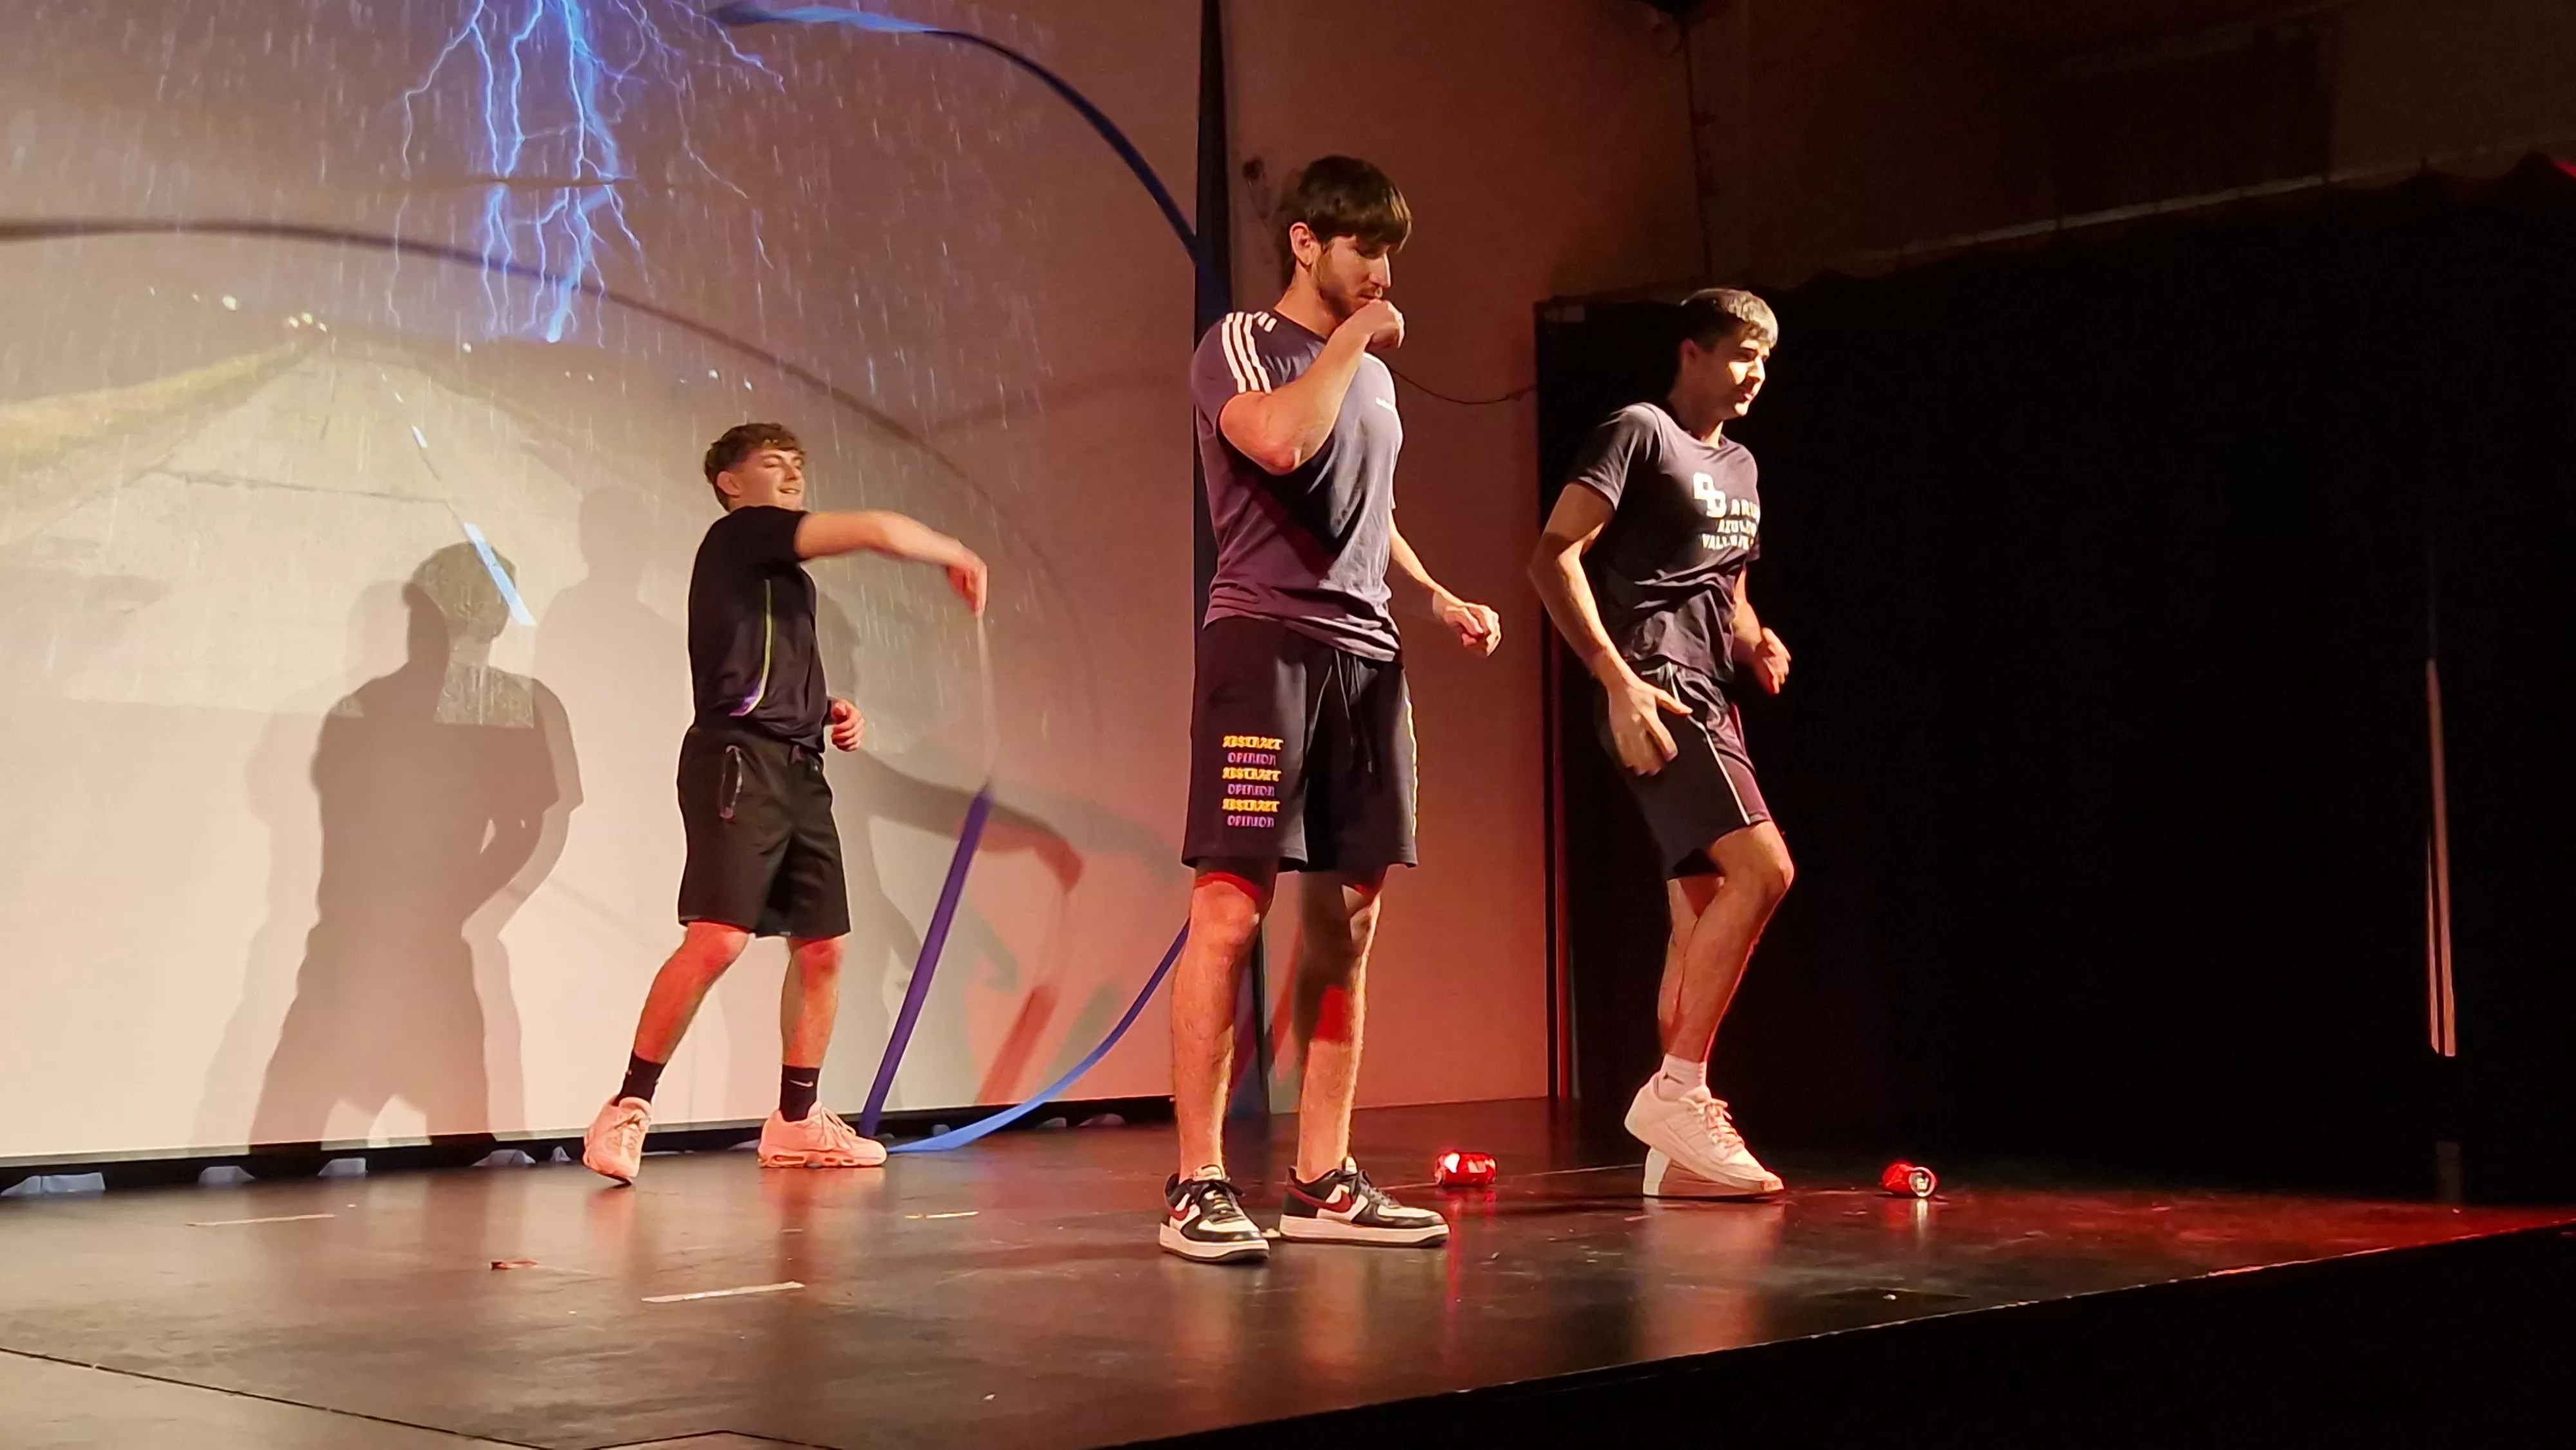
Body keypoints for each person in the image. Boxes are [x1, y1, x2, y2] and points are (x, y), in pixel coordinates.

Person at [1163, 156, 1504, 1263]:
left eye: (1390, 252)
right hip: (1263, 642)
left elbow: (1366, 501)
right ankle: (1197, 1180)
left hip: (1367, 651)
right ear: (1307, 243)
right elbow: (1277, 443)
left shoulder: (1372, 379)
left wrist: (1435, 588)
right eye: (1366, 249)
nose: (1383, 272)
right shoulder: (1241, 345)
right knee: (1232, 906)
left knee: (1351, 918)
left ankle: (1323, 1176)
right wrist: (1352, 341)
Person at [580, 423, 988, 1185]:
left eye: (799, 463)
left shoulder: (779, 578)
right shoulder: (740, 535)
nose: (792, 474)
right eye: (773, 463)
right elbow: (872, 530)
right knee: (718, 939)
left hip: (797, 764)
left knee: (825, 945)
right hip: (738, 762)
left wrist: (826, 705)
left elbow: (757, 663)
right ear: (731, 482)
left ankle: (796, 1121)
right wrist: (950, 550)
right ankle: (626, 1106)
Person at [1528, 288, 1795, 1198]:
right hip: (1657, 687)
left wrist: (1754, 635)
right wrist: (1617, 686)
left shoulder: (1745, 465)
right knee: (1766, 872)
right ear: (1691, 353)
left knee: (1698, 912)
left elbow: (1728, 588)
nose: (1753, 372)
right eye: (1737, 354)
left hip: (1710, 688)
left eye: (1763, 357)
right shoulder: (1638, 432)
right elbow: (1553, 558)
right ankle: (1678, 1091)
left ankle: (1677, 1154)